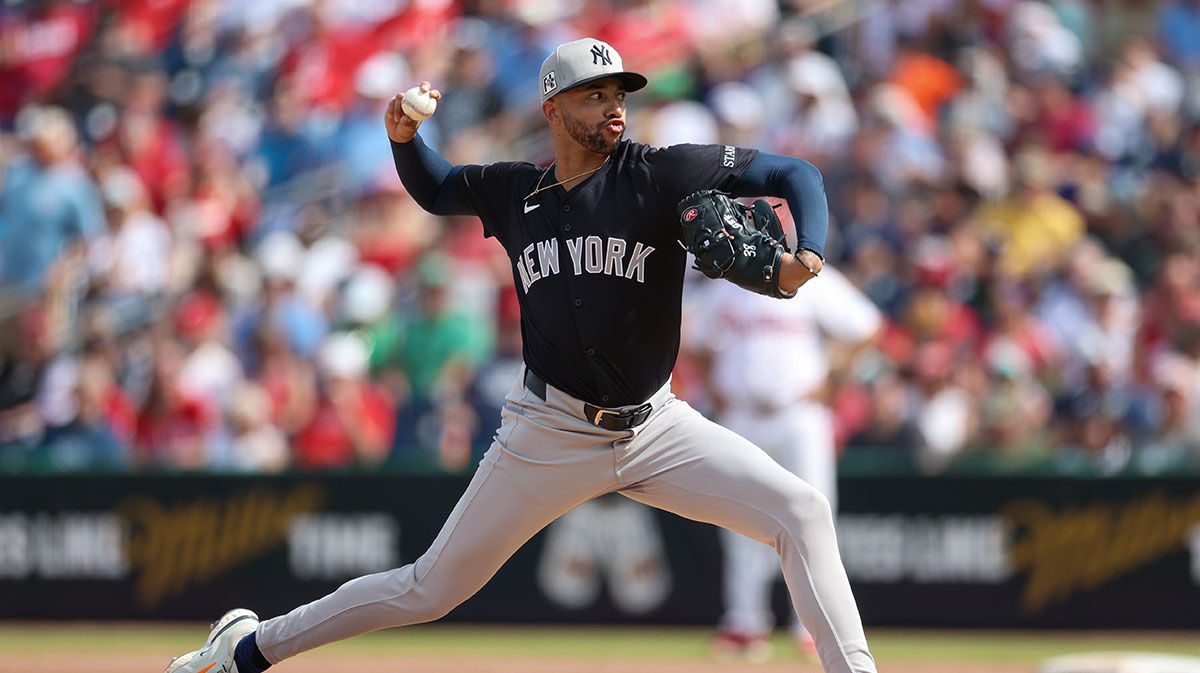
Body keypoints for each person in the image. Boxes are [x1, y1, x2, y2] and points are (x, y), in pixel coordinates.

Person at [164, 38, 878, 673]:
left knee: (802, 510)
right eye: (594, 95)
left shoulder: (660, 174)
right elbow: (438, 187)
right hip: (549, 429)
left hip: (657, 426)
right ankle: (250, 647)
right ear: (553, 108)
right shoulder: (518, 192)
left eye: (619, 93)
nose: (613, 107)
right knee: (429, 588)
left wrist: (807, 251)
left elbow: (796, 174)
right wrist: (405, 139)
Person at [683, 266, 882, 661]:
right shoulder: (730, 281)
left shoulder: (810, 279)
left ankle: (810, 628)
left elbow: (869, 328)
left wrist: (835, 378)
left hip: (799, 416)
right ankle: (743, 623)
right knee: (738, 516)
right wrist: (713, 383)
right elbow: (692, 339)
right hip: (742, 414)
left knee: (813, 516)